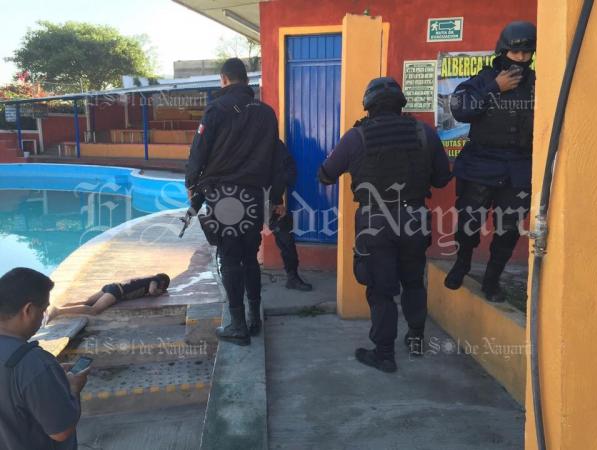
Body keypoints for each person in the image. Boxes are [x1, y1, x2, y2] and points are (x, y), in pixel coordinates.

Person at [318, 77, 451, 372]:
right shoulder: (424, 133)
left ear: (369, 106)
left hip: (375, 222)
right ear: (400, 103)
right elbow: (442, 178)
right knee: (413, 281)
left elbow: (325, 174)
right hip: (415, 219)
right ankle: (416, 340)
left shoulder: (356, 137)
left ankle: (384, 354)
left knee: (381, 289)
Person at [185, 58, 281, 346]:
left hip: (223, 196)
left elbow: (198, 152)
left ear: (224, 79)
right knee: (249, 257)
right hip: (252, 196)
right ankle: (254, 317)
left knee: (229, 257)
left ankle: (237, 324)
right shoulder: (266, 113)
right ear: (245, 80)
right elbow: (276, 158)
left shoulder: (216, 109)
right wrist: (276, 198)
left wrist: (191, 185)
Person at [444, 21, 536, 302]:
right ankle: (462, 263)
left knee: (508, 231)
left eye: (526, 53)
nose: (520, 58)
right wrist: (495, 87)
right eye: (514, 53)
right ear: (502, 50)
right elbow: (460, 110)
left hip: (519, 168)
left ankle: (492, 280)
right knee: (468, 224)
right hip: (480, 165)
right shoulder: (483, 80)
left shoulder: (538, 83)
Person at [0, 268, 88, 450]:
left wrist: (49, 377)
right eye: (44, 310)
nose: (43, 318)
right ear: (29, 310)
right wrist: (73, 387)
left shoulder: (34, 367)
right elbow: (61, 431)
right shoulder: (32, 363)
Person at [269, 140, 313, 292]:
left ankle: (292, 277)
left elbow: (288, 168)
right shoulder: (240, 139)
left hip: (269, 201)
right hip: (246, 200)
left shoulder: (273, 143)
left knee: (286, 238)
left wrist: (276, 196)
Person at [46, 273, 170, 321]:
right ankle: (58, 311)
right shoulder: (156, 279)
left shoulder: (147, 277)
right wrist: (159, 292)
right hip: (117, 292)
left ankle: (58, 307)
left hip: (111, 286)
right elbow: (152, 290)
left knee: (87, 302)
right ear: (163, 283)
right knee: (94, 310)